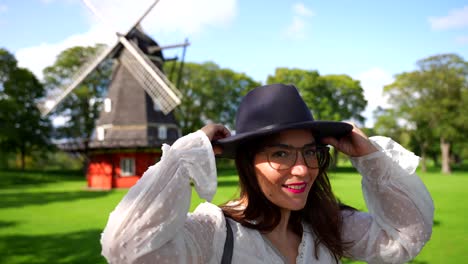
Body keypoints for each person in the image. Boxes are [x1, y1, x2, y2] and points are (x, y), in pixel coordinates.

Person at [100, 83, 434, 263]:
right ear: (247, 162)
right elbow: (127, 250)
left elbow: (406, 240)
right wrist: (188, 154)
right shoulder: (213, 234)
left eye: (310, 152)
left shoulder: (326, 226)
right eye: (280, 153)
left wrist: (371, 157)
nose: (302, 168)